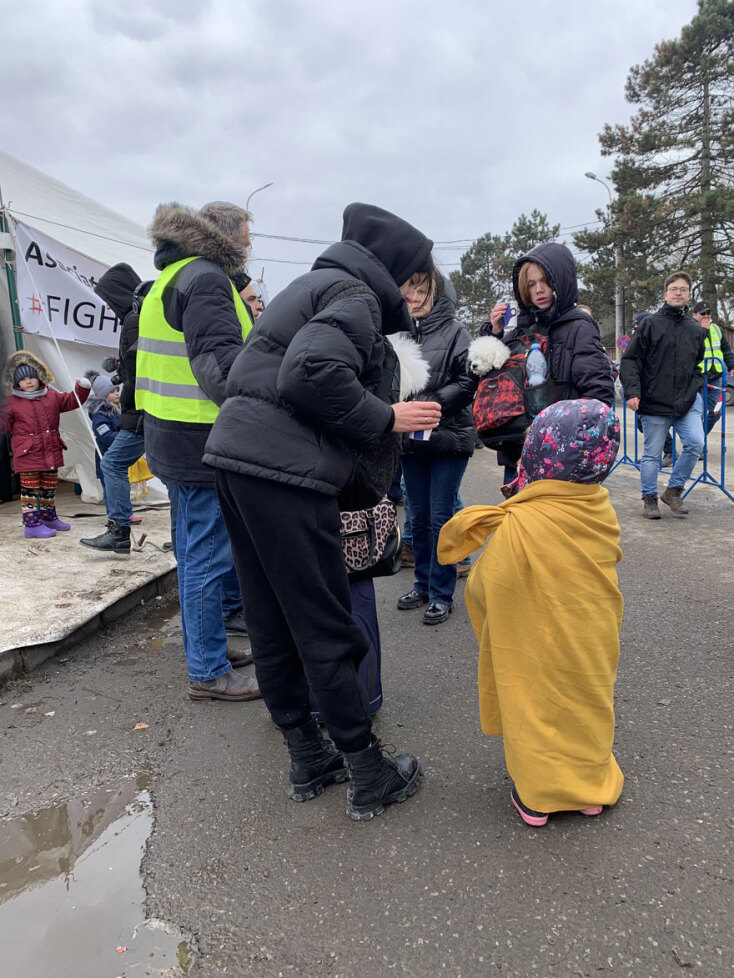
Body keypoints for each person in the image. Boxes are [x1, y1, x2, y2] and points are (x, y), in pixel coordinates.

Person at [204, 202, 442, 821]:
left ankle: (308, 757)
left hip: (236, 459)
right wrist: (386, 416)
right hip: (284, 474)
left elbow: (257, 373)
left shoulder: (307, 288)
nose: (415, 293)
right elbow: (309, 373)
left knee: (270, 616)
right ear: (393, 269)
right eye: (414, 280)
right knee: (322, 620)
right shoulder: (355, 296)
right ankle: (368, 771)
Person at [437, 398, 624, 827]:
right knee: (587, 699)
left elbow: (486, 590)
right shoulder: (596, 507)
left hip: (533, 641)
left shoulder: (519, 524)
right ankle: (589, 788)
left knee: (533, 699)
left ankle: (538, 796)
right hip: (592, 636)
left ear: (537, 453)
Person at [135, 200, 260, 699]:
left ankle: (207, 645)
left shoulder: (173, 275)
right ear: (226, 237)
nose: (250, 246)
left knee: (193, 554)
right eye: (247, 238)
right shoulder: (208, 279)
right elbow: (220, 368)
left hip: (173, 436)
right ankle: (208, 670)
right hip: (200, 438)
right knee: (207, 556)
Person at [483, 243, 614, 484]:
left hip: (562, 453)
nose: (539, 290)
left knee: (553, 521)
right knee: (518, 520)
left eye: (545, 281)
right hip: (518, 450)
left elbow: (598, 396)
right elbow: (486, 381)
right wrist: (494, 334)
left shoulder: (579, 327)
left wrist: (578, 448)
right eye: (531, 284)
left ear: (560, 281)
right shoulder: (518, 330)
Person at [396, 276, 478, 624]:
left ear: (436, 292)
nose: (413, 297)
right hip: (410, 439)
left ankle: (443, 594)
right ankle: (424, 584)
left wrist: (432, 403)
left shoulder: (457, 332)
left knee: (441, 518)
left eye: (421, 290)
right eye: (408, 290)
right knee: (418, 516)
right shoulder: (398, 333)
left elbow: (468, 380)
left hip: (449, 436)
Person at [620, 272, 705, 519]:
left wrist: (695, 387)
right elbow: (630, 360)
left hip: (686, 402)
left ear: (689, 295)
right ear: (665, 294)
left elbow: (698, 365)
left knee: (695, 444)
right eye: (674, 289)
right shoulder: (649, 325)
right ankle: (649, 499)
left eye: (683, 289)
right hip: (654, 402)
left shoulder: (695, 329)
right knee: (652, 455)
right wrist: (633, 392)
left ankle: (673, 491)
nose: (678, 292)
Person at [80, 265, 150, 553]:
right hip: (152, 410)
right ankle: (182, 535)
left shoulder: (133, 320)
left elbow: (138, 368)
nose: (107, 305)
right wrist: (119, 371)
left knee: (112, 463)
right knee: (172, 476)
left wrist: (124, 393)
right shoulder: (145, 316)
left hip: (140, 411)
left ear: (120, 292)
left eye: (108, 298)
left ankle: (119, 531)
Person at [1, 351, 90, 538]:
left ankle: (49, 517)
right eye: (23, 379)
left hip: (51, 451)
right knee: (31, 490)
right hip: (28, 454)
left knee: (49, 487)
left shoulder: (51, 396)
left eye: (32, 377)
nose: (29, 382)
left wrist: (82, 388)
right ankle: (32, 525)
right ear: (16, 383)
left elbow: (71, 401)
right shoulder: (11, 403)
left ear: (39, 377)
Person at [690, 299, 734, 439]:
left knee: (717, 412)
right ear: (695, 315)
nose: (706, 316)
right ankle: (696, 445)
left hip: (715, 377)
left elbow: (726, 350)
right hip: (698, 377)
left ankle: (699, 440)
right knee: (698, 413)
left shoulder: (716, 329)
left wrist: (732, 366)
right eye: (703, 313)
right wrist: (703, 331)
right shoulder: (690, 330)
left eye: (708, 313)